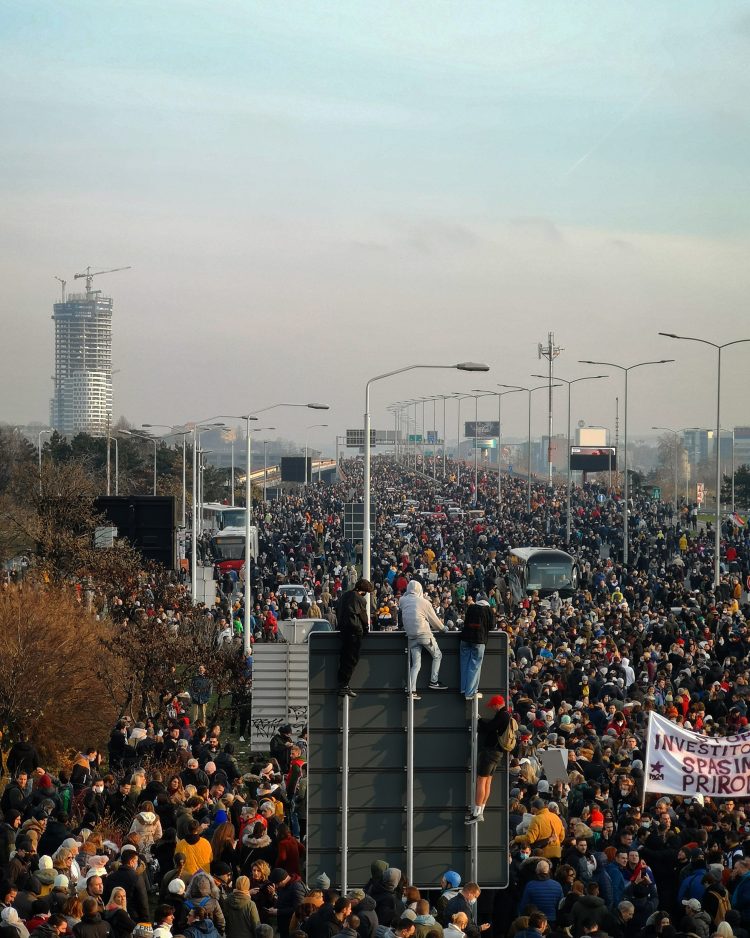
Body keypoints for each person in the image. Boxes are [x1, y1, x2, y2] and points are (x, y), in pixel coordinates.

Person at [465, 695, 511, 824]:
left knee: (481, 780)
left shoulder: (502, 715)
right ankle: (481, 810)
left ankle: (477, 813)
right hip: (498, 753)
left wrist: (479, 720)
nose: (491, 708)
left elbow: (489, 727)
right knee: (487, 781)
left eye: (492, 706)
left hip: (491, 752)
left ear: (497, 704)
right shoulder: (507, 715)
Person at [399, 580, 448, 698]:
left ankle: (412, 690)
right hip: (424, 635)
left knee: (416, 664)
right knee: (437, 655)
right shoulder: (424, 602)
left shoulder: (403, 601)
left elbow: (405, 597)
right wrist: (443, 629)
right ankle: (434, 681)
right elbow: (435, 621)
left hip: (411, 637)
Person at [336, 579, 375, 698]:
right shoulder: (360, 599)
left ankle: (342, 684)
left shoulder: (344, 596)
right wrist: (366, 628)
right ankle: (344, 686)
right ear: (363, 591)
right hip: (354, 631)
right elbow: (363, 616)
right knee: (352, 658)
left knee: (344, 658)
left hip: (343, 631)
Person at [459, 593, 493, 701]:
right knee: (474, 665)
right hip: (479, 640)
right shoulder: (488, 610)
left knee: (464, 663)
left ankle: (463, 688)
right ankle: (470, 692)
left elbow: (466, 622)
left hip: (465, 639)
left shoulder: (471, 607)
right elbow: (491, 626)